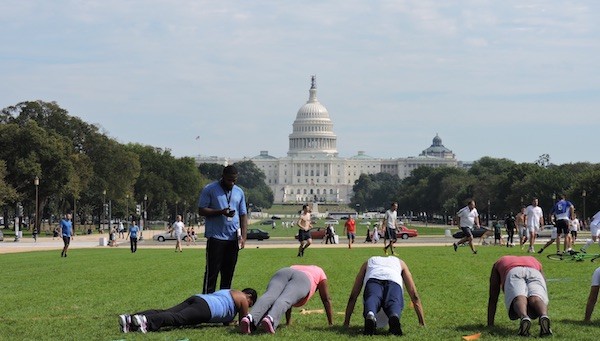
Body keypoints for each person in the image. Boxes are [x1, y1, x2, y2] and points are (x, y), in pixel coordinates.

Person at [343, 256, 425, 336]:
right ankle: (394, 314)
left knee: (372, 298)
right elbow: (414, 295)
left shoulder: (369, 262)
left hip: (373, 278)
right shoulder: (400, 263)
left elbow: (353, 296)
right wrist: (422, 322)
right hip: (393, 279)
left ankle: (370, 313)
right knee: (394, 302)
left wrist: (346, 323)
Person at [239, 265, 333, 335]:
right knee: (285, 299)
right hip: (303, 279)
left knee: (269, 295)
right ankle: (270, 319)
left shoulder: (297, 266)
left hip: (285, 271)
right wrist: (330, 323)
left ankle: (250, 318)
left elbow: (289, 305)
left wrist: (288, 322)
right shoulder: (320, 272)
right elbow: (326, 299)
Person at [198, 165, 248, 294]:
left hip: (233, 238)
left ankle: (224, 302)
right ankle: (207, 302)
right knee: (212, 272)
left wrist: (243, 236)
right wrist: (220, 212)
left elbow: (243, 214)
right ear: (223, 177)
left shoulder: (239, 192)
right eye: (229, 180)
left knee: (228, 273)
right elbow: (201, 210)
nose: (231, 183)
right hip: (216, 237)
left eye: (234, 180)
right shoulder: (210, 189)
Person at [119, 288, 257, 333]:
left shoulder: (230, 291)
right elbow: (244, 322)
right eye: (251, 303)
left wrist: (229, 322)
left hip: (199, 299)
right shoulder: (243, 299)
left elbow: (226, 316)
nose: (249, 305)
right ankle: (146, 321)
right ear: (250, 297)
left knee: (168, 311)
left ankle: (131, 319)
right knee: (179, 319)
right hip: (207, 309)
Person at [487, 255, 552, 337]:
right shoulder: (534, 260)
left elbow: (493, 296)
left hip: (513, 271)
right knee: (536, 298)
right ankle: (544, 315)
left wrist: (490, 324)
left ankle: (524, 317)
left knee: (519, 298)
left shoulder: (498, 262)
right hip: (534, 272)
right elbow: (544, 288)